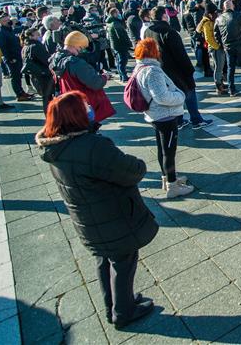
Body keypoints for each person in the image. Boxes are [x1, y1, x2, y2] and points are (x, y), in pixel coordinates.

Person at [35, 91, 157, 328]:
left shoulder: (56, 149)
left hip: (88, 218)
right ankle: (123, 312)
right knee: (123, 261)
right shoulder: (91, 146)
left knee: (104, 259)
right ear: (76, 116)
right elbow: (131, 170)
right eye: (84, 106)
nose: (89, 108)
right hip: (111, 216)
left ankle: (112, 303)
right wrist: (138, 164)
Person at [132, 39, 195, 198]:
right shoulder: (152, 71)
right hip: (164, 115)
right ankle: (172, 186)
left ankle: (167, 178)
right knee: (169, 151)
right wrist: (180, 96)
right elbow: (161, 96)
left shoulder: (141, 67)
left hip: (155, 114)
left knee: (163, 149)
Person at [143, 7, 211, 130]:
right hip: (176, 70)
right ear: (164, 16)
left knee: (173, 96)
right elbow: (181, 55)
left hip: (160, 68)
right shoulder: (170, 32)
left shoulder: (148, 31)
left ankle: (179, 120)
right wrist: (189, 71)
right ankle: (196, 119)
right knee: (189, 93)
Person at [49, 31, 115, 125]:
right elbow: (95, 83)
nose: (81, 51)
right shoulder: (75, 63)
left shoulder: (54, 59)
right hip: (83, 103)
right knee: (88, 130)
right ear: (76, 45)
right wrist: (105, 77)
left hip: (68, 101)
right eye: (81, 47)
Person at [0, 12, 33, 102]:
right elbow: (2, 48)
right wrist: (10, 59)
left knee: (19, 76)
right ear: (2, 22)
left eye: (9, 19)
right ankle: (19, 94)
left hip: (17, 56)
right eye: (7, 20)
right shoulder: (0, 33)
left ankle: (21, 91)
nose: (9, 21)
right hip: (12, 58)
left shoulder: (9, 30)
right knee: (15, 77)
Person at [22, 27, 55, 113]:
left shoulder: (25, 46)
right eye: (37, 35)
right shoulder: (36, 46)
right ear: (31, 36)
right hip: (44, 75)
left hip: (35, 75)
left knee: (45, 97)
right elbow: (46, 60)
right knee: (47, 98)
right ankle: (50, 117)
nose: (39, 36)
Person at [198, 2, 226, 95]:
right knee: (218, 67)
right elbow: (208, 38)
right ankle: (218, 87)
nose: (217, 14)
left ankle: (221, 83)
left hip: (217, 46)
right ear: (210, 14)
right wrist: (218, 47)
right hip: (215, 48)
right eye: (215, 12)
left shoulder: (211, 20)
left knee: (219, 66)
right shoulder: (207, 23)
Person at [106, 6, 132, 82]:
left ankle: (122, 76)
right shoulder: (115, 23)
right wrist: (128, 44)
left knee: (119, 61)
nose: (119, 14)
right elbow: (121, 36)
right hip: (120, 45)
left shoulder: (111, 23)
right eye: (118, 12)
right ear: (114, 14)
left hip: (115, 45)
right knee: (122, 61)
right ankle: (123, 76)